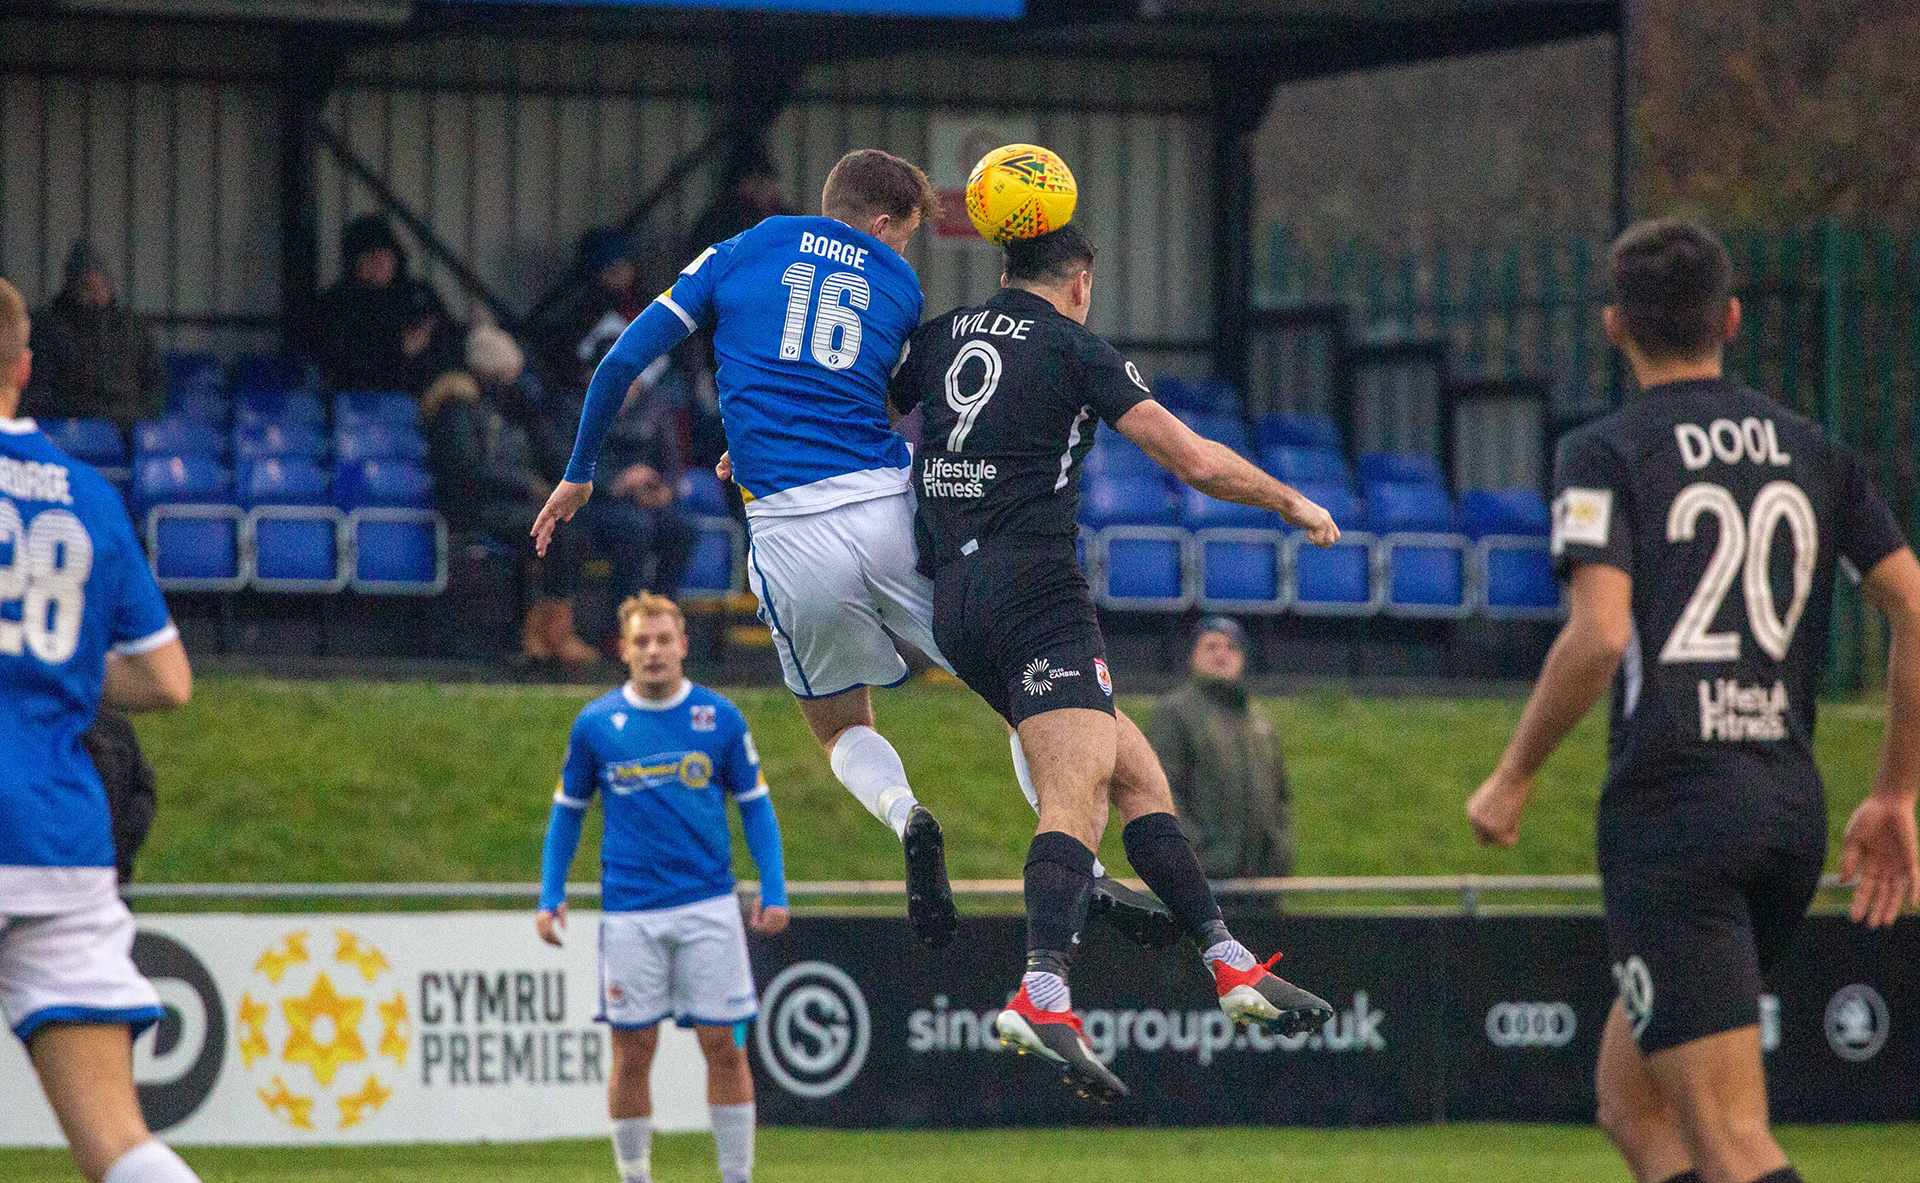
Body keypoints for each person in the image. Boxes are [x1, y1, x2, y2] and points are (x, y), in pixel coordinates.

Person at [1466, 218, 1920, 1183]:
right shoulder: (1816, 450)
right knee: (1632, 1104)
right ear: (1733, 319)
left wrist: (1511, 776)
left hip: (1676, 813)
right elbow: (1916, 610)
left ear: (1614, 324)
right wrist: (1895, 793)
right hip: (1786, 807)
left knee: (1729, 1133)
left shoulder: (1605, 450)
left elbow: (1598, 635)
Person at [888, 224, 1338, 1099]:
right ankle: (1043, 987)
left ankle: (1228, 958)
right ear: (1082, 279)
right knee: (1076, 793)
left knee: (1138, 775)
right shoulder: (1075, 347)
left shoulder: (943, 333)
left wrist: (758, 458)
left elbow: (861, 406)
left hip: (955, 602)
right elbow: (1195, 460)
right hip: (1037, 594)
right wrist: (1290, 499)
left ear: (1004, 267)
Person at [532, 150, 961, 947]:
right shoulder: (900, 289)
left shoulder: (746, 247)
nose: (900, 252)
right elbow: (867, 394)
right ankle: (1081, 858)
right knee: (1018, 681)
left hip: (792, 530)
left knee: (839, 726)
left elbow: (625, 359)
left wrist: (580, 473)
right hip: (884, 507)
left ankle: (907, 814)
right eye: (901, 236)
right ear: (880, 224)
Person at [0, 276, 202, 1183]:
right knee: (122, 1145)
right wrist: (66, 674)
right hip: (57, 837)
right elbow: (165, 678)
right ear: (25, 368)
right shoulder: (90, 495)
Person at [536, 592, 788, 1183]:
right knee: (631, 1051)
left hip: (708, 906)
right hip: (629, 914)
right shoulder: (596, 724)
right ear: (623, 650)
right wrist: (551, 893)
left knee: (724, 1045)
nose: (654, 651)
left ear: (683, 646)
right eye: (641, 641)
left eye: (663, 639)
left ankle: (736, 1176)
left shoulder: (719, 718)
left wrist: (773, 888)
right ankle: (635, 1177)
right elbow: (566, 813)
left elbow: (756, 808)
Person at [423, 327, 595, 665]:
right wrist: (527, 485)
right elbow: (466, 468)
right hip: (472, 505)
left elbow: (546, 453)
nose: (514, 381)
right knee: (555, 530)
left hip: (509, 503)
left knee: (569, 525)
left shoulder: (514, 409)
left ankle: (544, 630)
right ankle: (548, 633)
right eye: (507, 374)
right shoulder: (456, 408)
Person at [1147, 617, 1296, 890]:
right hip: (1204, 880)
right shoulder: (1175, 713)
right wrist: (1198, 855)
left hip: (1263, 879)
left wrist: (1280, 849)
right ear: (1192, 656)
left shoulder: (1257, 717)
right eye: (1211, 646)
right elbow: (1162, 791)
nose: (1222, 654)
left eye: (1231, 647)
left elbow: (1281, 794)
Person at [304, 214, 461, 394]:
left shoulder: (418, 295)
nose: (379, 262)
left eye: (385, 254)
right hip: (362, 402)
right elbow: (337, 364)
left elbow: (450, 341)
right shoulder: (335, 304)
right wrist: (398, 351)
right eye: (370, 255)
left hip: (428, 395)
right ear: (354, 261)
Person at [21, 242, 164, 433]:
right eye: (87, 287)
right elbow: (41, 391)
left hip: (128, 430)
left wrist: (134, 415)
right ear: (72, 287)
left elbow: (156, 385)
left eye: (101, 286)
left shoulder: (132, 328)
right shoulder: (48, 329)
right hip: (68, 429)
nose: (95, 295)